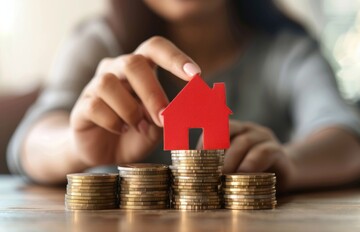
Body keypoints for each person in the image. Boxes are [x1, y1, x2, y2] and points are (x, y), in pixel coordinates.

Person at [7, 0, 360, 192]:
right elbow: (29, 140)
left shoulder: (287, 53)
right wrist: (74, 145)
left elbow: (346, 137)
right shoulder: (99, 41)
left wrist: (290, 161)